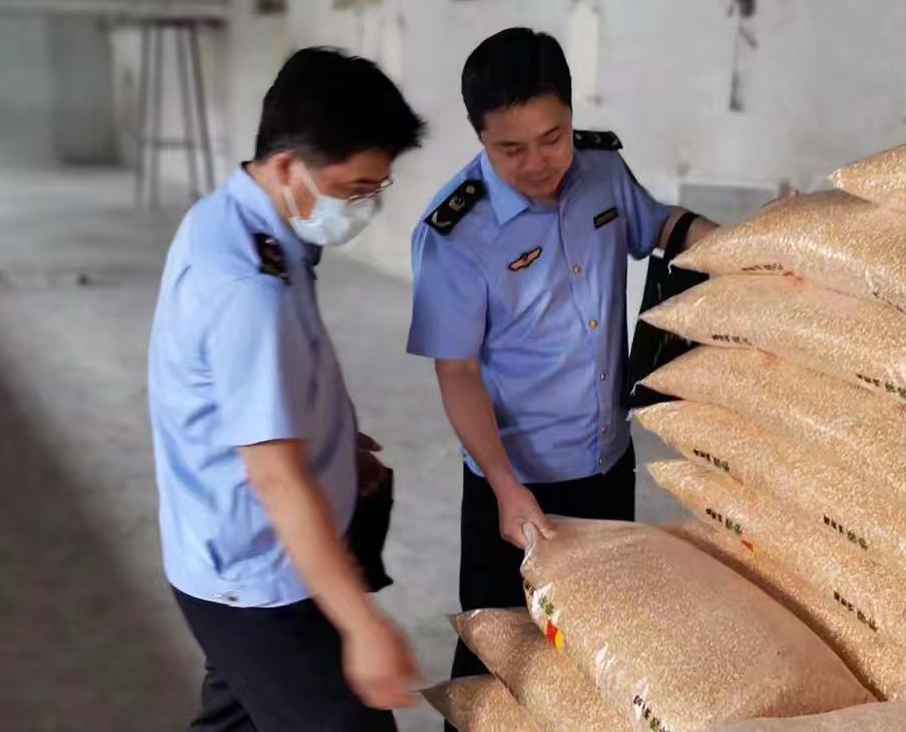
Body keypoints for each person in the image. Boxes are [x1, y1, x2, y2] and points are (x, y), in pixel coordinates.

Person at [405, 27, 718, 692]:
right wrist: (502, 484)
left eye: (553, 136)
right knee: (501, 659)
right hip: (516, 482)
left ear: (572, 116)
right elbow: (456, 373)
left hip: (606, 462)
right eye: (509, 149)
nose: (540, 161)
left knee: (600, 645)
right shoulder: (457, 235)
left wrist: (740, 248)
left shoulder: (601, 170)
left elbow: (659, 227)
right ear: (479, 137)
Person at [147, 47, 426, 731]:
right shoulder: (248, 286)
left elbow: (258, 384)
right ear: (284, 167)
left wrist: (336, 439)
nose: (365, 207)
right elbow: (274, 479)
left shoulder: (242, 220)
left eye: (376, 189)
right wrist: (361, 623)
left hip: (223, 556)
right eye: (355, 189)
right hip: (264, 579)